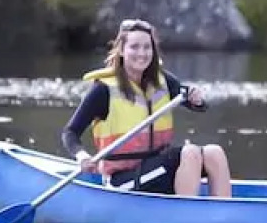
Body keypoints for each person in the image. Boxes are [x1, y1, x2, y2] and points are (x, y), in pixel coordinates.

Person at [61, 18, 233, 198]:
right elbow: (70, 132)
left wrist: (196, 99)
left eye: (146, 47)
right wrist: (81, 156)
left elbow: (196, 104)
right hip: (122, 181)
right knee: (189, 153)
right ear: (121, 50)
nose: (141, 53)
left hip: (158, 171)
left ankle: (225, 216)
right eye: (134, 47)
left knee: (214, 152)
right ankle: (186, 217)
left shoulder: (163, 81)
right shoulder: (103, 90)